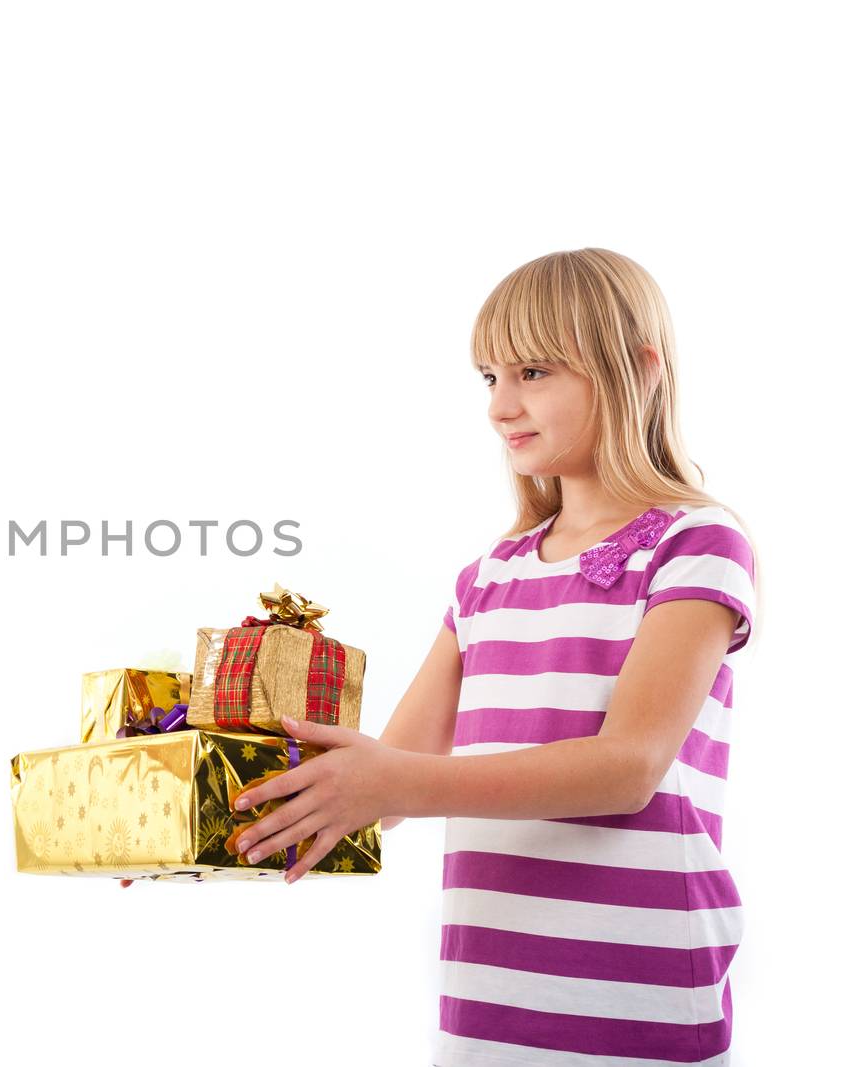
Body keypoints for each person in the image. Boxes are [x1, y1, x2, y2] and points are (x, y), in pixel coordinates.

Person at [229, 248, 759, 1065]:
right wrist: (197, 830)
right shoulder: (487, 577)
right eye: (489, 377)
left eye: (535, 371)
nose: (500, 405)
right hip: (487, 1006)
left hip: (641, 997)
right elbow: (385, 776)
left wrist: (392, 779)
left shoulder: (697, 543)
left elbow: (628, 766)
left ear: (642, 369)